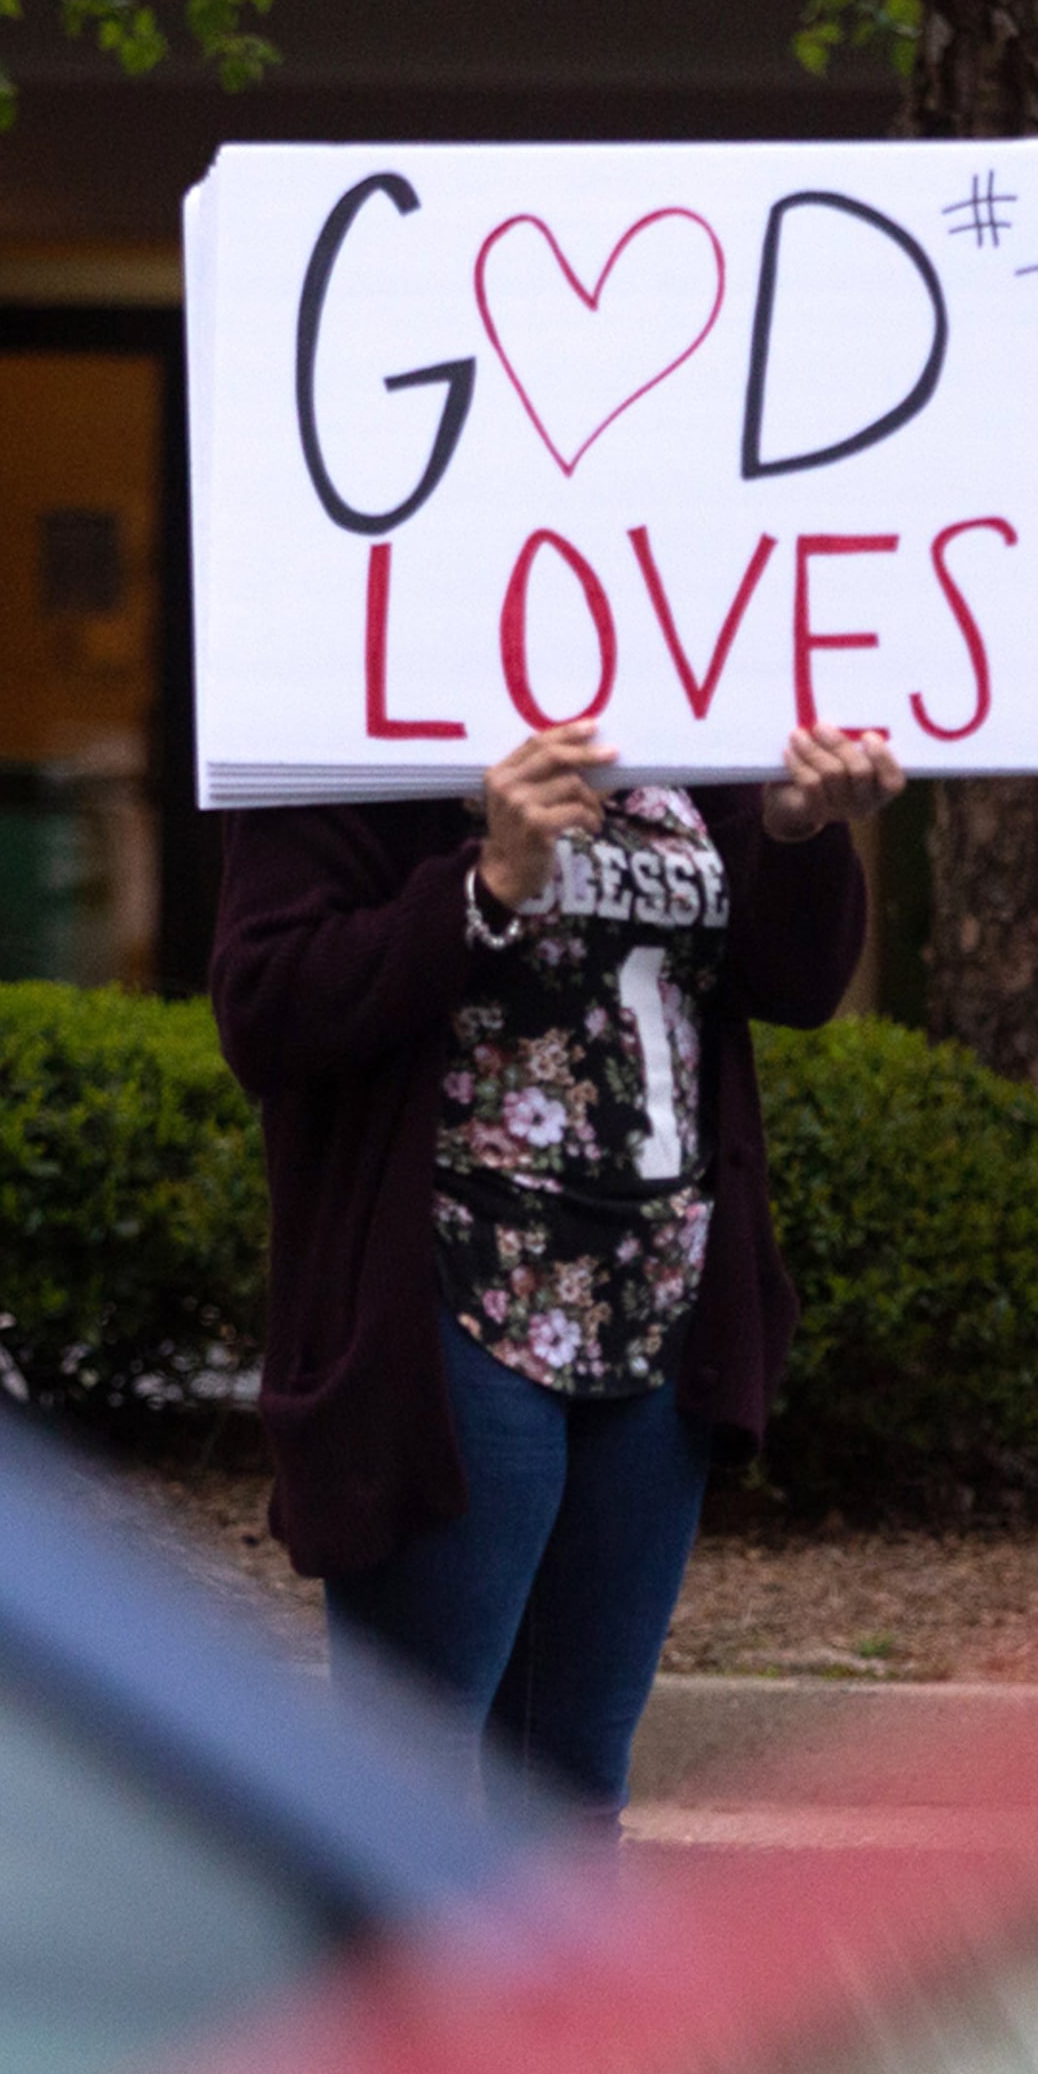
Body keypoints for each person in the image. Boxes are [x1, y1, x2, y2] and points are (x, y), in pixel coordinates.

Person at [209, 720, 903, 1825]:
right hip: (455, 1309)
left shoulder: (684, 711)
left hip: (660, 1316)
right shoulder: (357, 708)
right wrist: (484, 887)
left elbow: (796, 982)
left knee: (572, 1789)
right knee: (407, 1796)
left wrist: (797, 831)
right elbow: (265, 1003)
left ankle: (562, 2008)